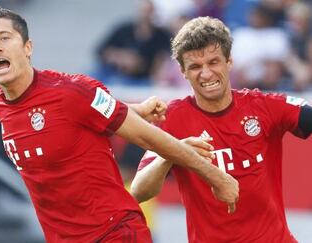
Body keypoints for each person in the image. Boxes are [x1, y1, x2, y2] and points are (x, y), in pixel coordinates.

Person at [0, 6, 238, 242]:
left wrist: (215, 175)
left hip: (114, 233)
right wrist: (134, 109)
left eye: (4, 38)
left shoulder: (71, 91)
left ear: (27, 48)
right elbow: (67, 124)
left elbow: (148, 138)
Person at [130, 16, 312, 243]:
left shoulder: (263, 106)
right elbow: (139, 190)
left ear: (229, 61)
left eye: (213, 62)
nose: (206, 74)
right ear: (183, 71)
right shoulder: (172, 119)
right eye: (195, 66)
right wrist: (175, 152)